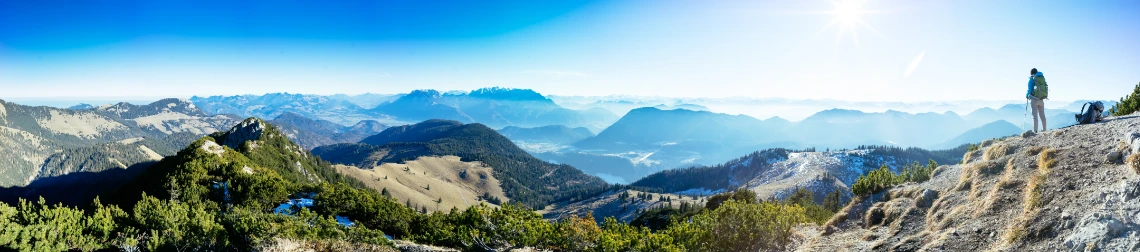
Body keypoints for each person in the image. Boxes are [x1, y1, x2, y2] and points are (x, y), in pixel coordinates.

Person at [1026, 68, 1047, 132]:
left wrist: (1027, 95)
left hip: (1034, 99)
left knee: (1035, 116)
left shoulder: (1032, 79)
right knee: (1042, 115)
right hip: (1041, 99)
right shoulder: (1041, 78)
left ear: (1031, 73)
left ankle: (1035, 131)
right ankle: (1044, 129)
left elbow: (1029, 90)